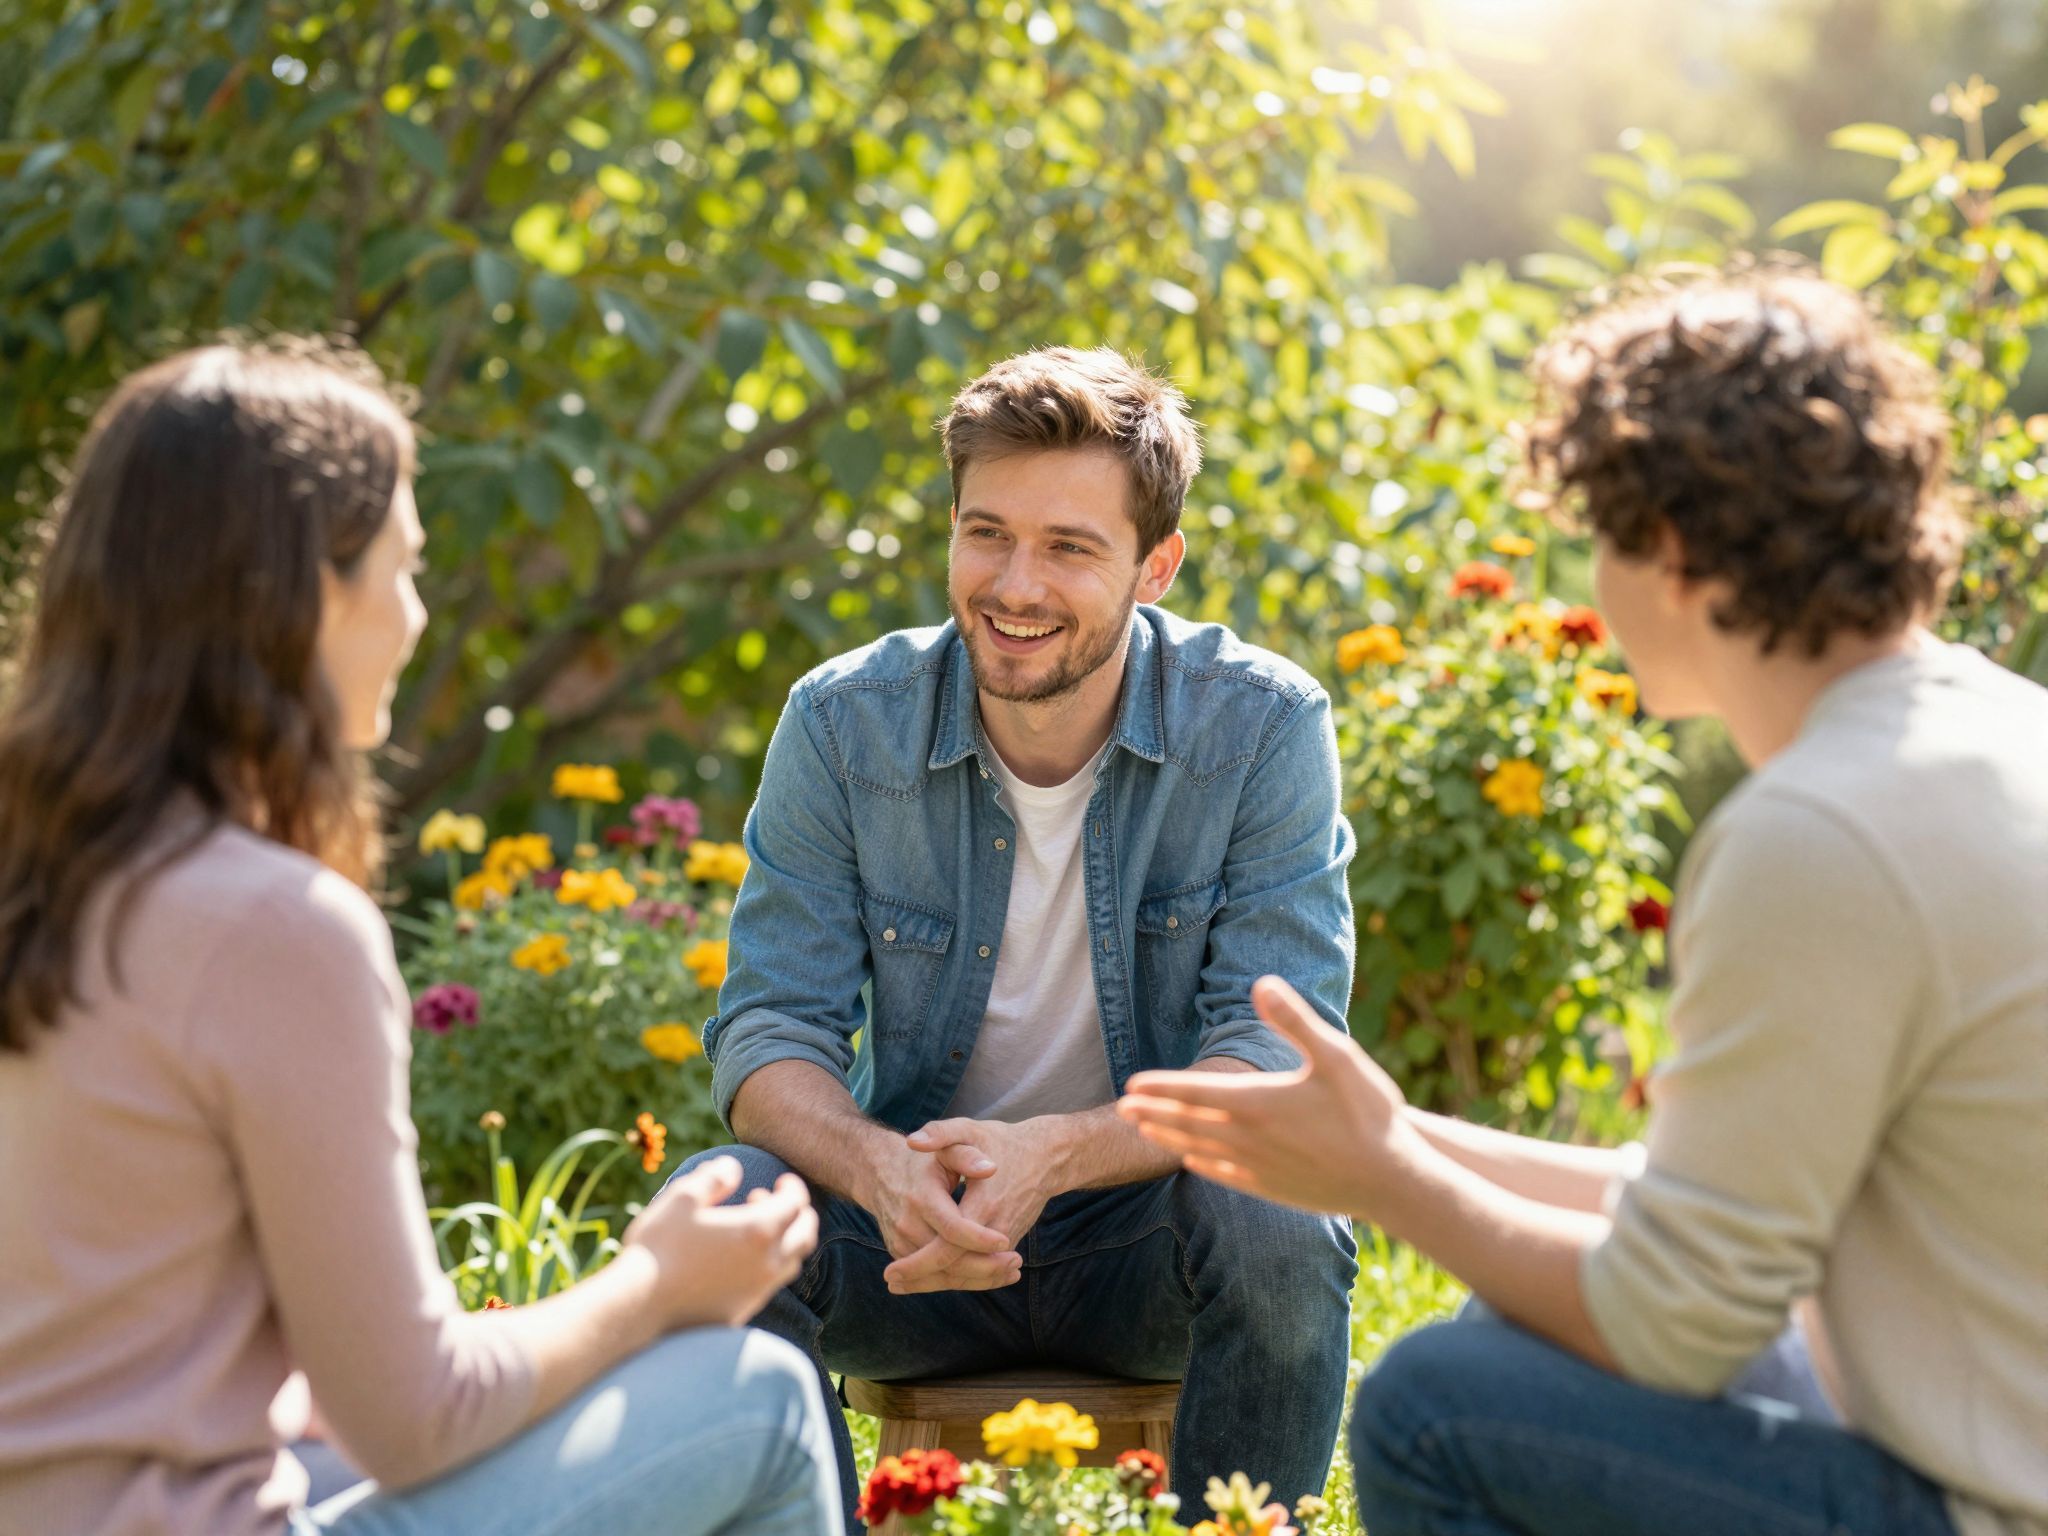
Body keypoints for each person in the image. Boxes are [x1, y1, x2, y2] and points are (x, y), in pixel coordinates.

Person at [1119, 268, 2048, 1536]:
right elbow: (1695, 1204)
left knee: (1434, 1405)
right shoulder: (1993, 727)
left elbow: (1670, 1325)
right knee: (1506, 1319)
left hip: (1983, 1506)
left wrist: (1384, 1177)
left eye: (1597, 539)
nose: (1589, 586)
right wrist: (1393, 1137)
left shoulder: (1816, 835)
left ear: (1667, 550)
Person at [0, 342, 843, 1536]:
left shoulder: (45, 871)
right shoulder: (271, 928)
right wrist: (657, 1283)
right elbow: (416, 1416)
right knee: (757, 1399)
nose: (416, 615)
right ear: (303, 594)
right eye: (402, 569)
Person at [679, 346, 1358, 1523]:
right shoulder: (843, 725)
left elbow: (1266, 1061)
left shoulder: (1260, 726)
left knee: (1279, 1216)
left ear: (1155, 567)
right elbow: (768, 1033)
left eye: (1069, 548)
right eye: (984, 534)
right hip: (907, 1244)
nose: (1014, 585)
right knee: (721, 1203)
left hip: (1144, 1252)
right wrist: (880, 1171)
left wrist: (1054, 1155)